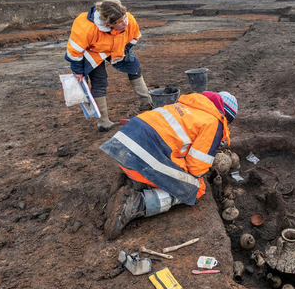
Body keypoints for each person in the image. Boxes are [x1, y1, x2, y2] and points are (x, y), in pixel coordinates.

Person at [100, 91, 239, 240]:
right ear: (226, 117)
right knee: (196, 188)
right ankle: (135, 204)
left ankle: (133, 181)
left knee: (172, 167)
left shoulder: (188, 104)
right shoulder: (214, 122)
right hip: (141, 157)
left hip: (123, 150)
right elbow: (196, 168)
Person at [65, 0, 154, 131]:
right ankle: (103, 122)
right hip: (93, 52)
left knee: (134, 67)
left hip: (117, 47)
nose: (125, 23)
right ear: (108, 24)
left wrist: (126, 50)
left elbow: (135, 36)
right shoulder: (86, 27)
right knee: (99, 81)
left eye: (124, 18)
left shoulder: (128, 20)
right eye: (119, 22)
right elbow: (74, 52)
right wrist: (77, 71)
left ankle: (147, 105)